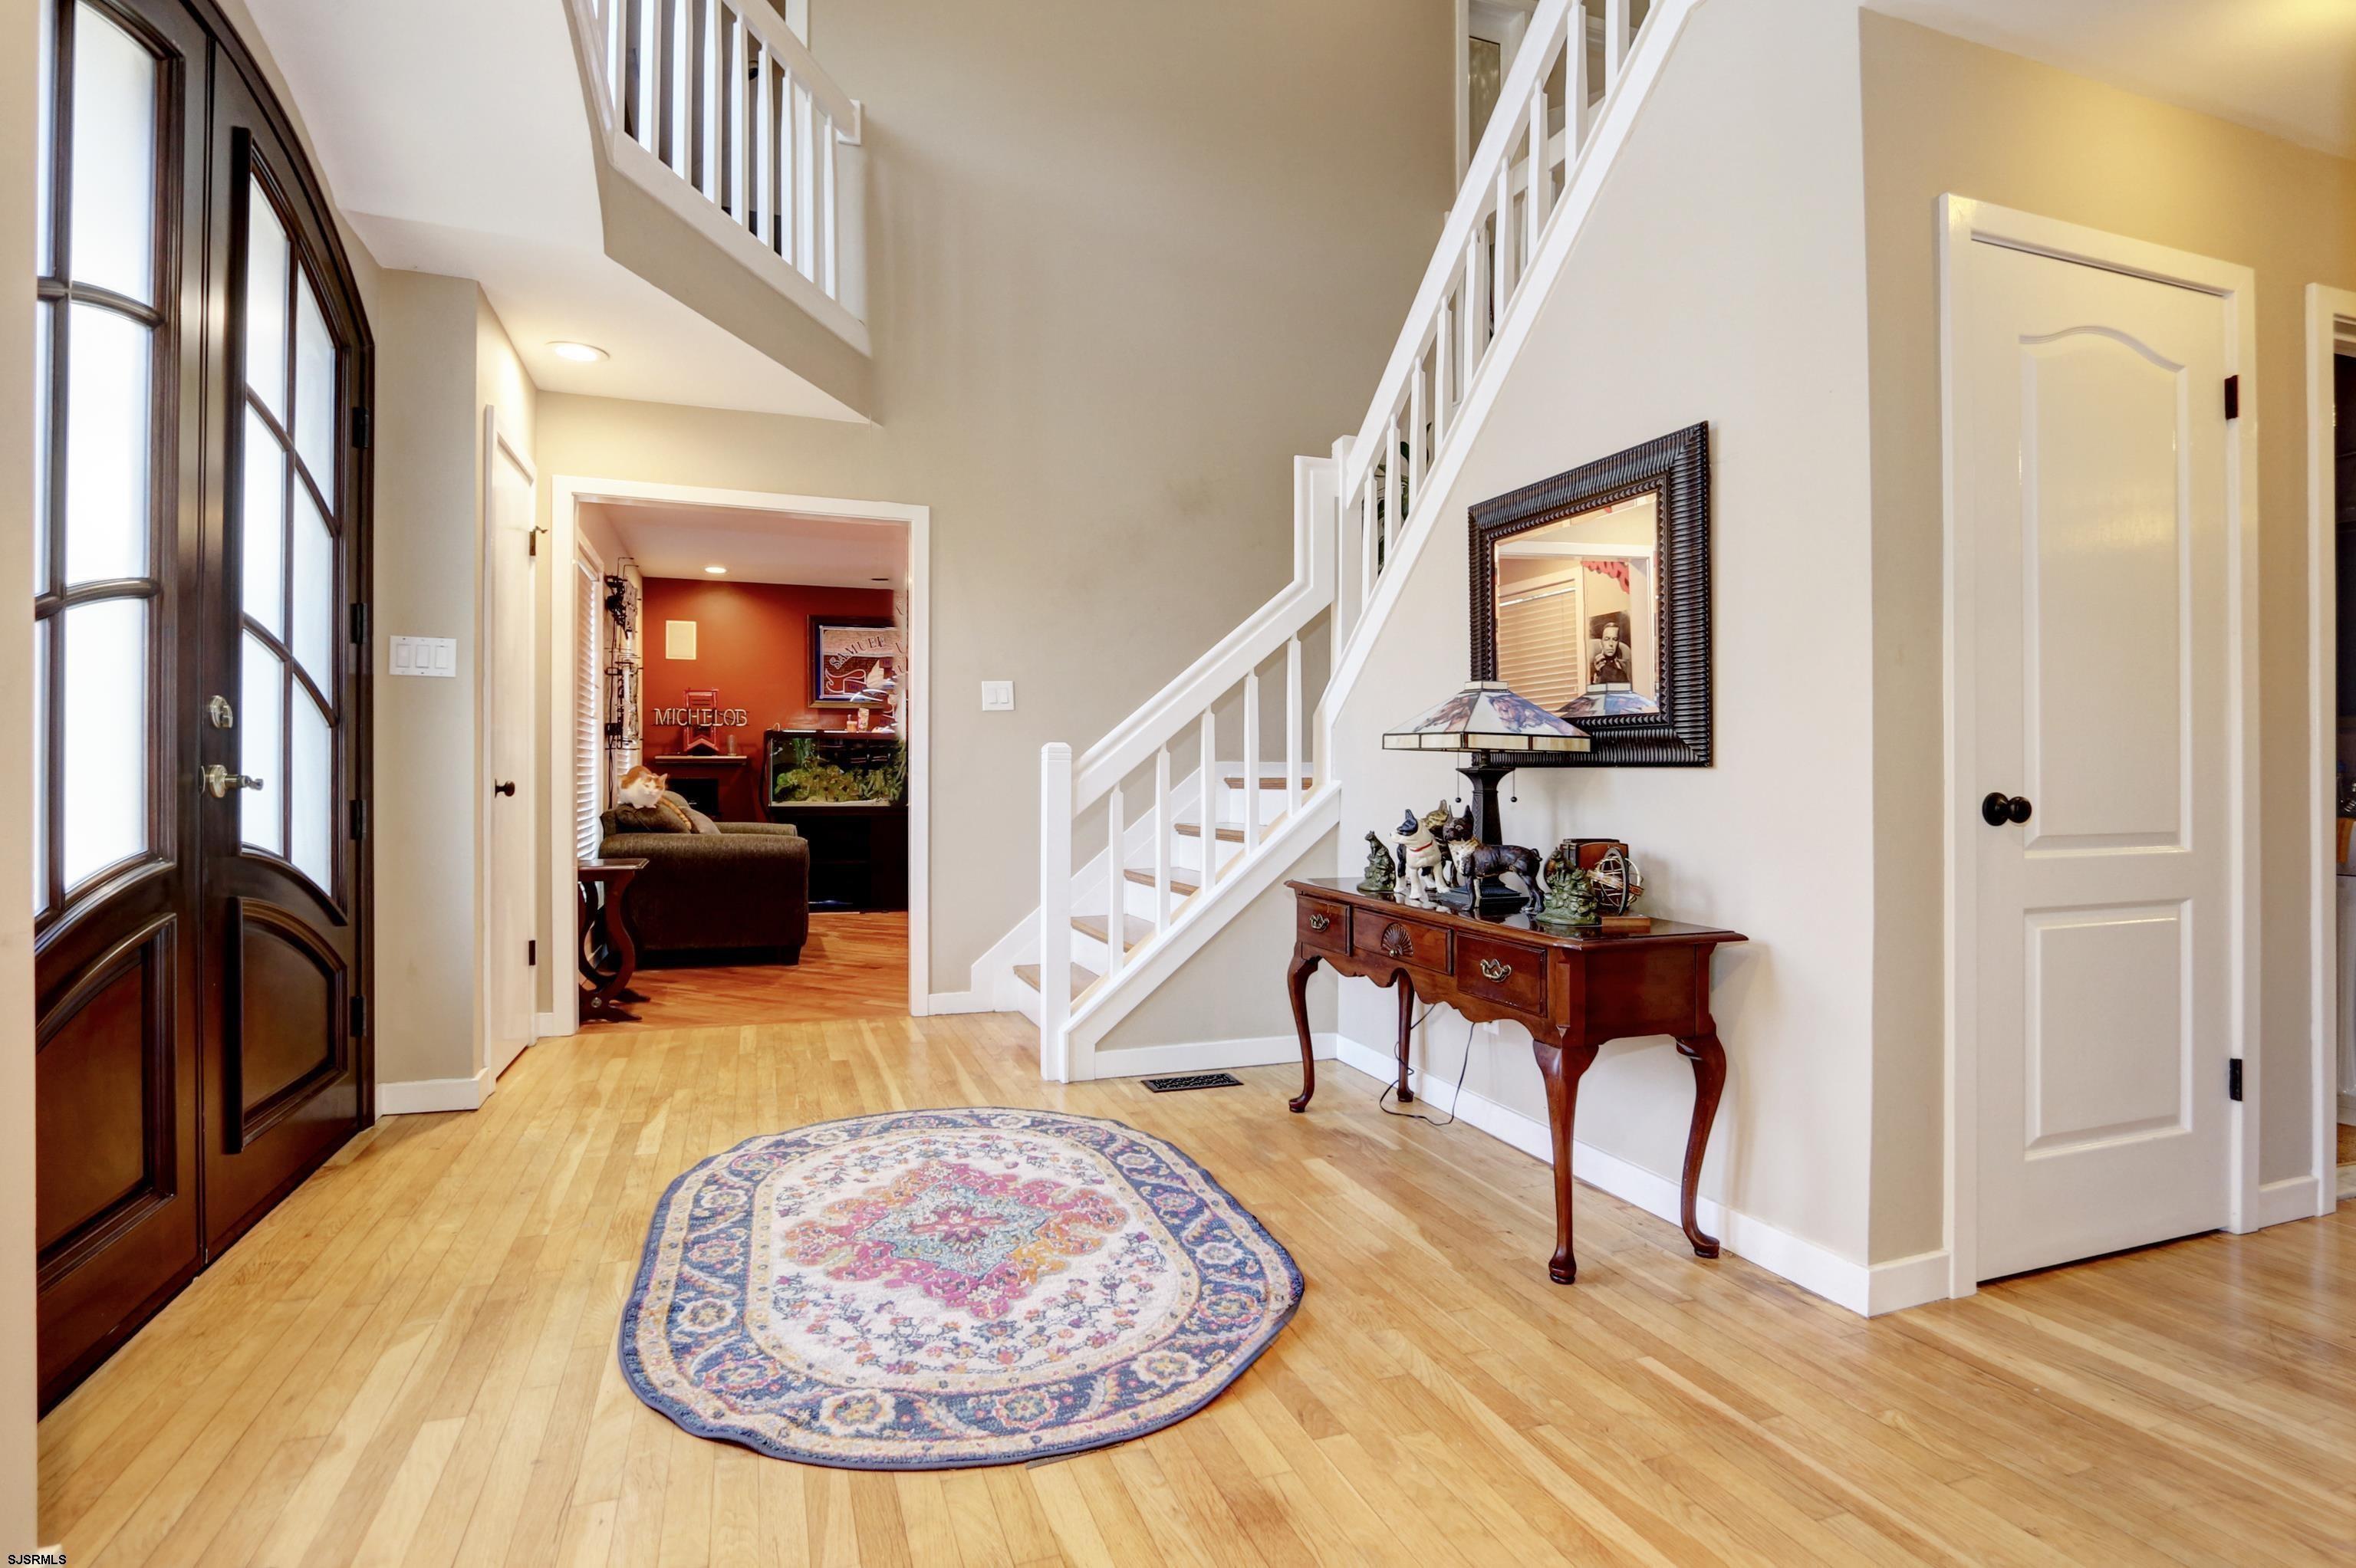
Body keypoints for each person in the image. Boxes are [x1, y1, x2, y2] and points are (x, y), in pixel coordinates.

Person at [1589, 616, 1631, 687]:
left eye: (1614, 639)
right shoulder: (1591, 668)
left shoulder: (1625, 667)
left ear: (1618, 643)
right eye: (1607, 639)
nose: (1611, 644)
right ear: (1601, 643)